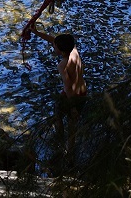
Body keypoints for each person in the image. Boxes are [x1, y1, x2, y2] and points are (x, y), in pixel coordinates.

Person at [31, 22, 87, 161]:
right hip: (83, 92)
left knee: (60, 115)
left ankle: (61, 144)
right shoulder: (73, 51)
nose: (53, 46)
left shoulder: (62, 65)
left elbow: (67, 86)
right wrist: (37, 33)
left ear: (61, 50)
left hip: (71, 96)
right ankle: (70, 150)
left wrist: (72, 106)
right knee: (72, 124)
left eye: (55, 46)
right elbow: (53, 40)